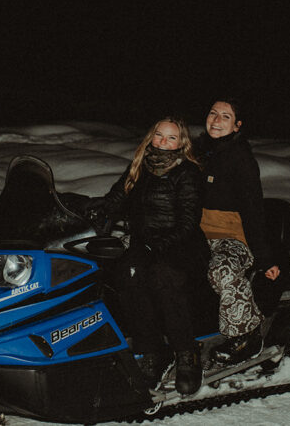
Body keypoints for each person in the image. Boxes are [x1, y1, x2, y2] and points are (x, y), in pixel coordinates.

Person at [94, 117, 208, 395]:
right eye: (159, 135)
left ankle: (186, 353)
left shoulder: (188, 173)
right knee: (128, 277)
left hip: (182, 245)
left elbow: (188, 224)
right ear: (151, 136)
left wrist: (155, 246)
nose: (164, 142)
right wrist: (90, 210)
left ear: (182, 143)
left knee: (163, 277)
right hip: (144, 243)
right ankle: (150, 353)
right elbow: (117, 198)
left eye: (171, 138)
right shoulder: (141, 165)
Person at [195, 99, 280, 365]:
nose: (216, 120)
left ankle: (247, 334)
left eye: (225, 116)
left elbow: (253, 210)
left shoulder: (241, 159)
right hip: (194, 235)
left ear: (237, 125)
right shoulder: (197, 152)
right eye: (213, 113)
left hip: (230, 237)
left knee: (224, 271)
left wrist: (264, 257)